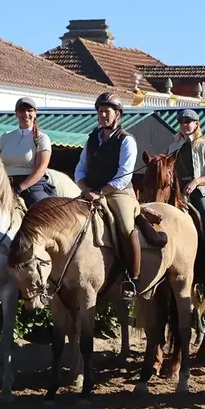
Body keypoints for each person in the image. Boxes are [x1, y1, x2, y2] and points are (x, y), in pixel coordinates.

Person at [75, 92, 141, 299]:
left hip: (118, 193)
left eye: (107, 111)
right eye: (100, 111)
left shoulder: (127, 140)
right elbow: (80, 168)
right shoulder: (91, 138)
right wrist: (85, 189)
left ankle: (132, 278)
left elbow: (123, 175)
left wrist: (100, 192)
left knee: (126, 226)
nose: (102, 115)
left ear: (118, 114)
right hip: (90, 192)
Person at [167, 109, 205, 288]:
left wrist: (196, 182)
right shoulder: (173, 146)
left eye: (188, 121)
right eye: (181, 121)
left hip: (203, 190)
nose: (184, 124)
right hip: (177, 190)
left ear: (196, 124)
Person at [0, 97, 54, 209]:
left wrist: (20, 188)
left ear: (35, 113)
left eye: (29, 110)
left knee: (41, 209)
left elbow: (40, 169)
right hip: (5, 184)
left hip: (32, 186)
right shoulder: (5, 137)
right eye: (22, 111)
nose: (26, 114)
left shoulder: (42, 138)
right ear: (16, 114)